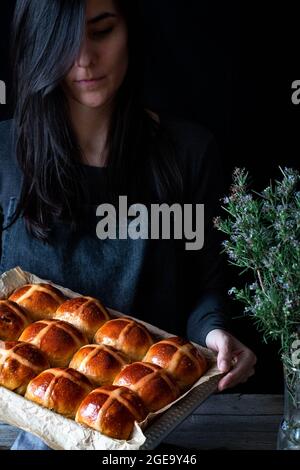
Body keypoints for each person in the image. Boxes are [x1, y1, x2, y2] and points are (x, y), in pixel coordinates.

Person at [0, 0, 256, 450]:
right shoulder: (3, 155)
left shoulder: (189, 153)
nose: (83, 59)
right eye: (64, 41)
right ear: (39, 45)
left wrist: (215, 333)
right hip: (19, 425)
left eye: (102, 31)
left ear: (130, 32)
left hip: (148, 424)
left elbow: (204, 288)